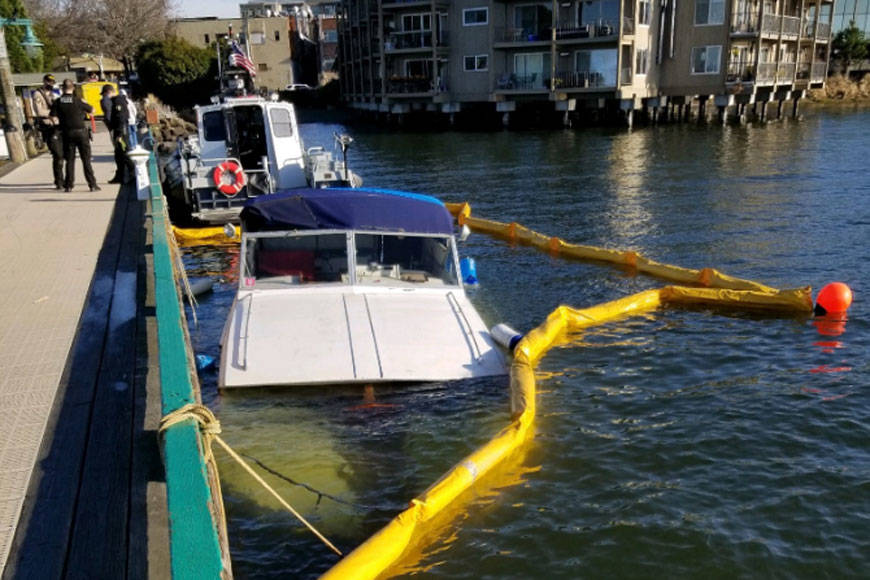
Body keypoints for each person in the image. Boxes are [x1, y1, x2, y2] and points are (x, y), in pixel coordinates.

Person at [50, 79, 100, 192]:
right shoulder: (77, 101)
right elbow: (92, 110)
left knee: (70, 160)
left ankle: (69, 185)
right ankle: (92, 184)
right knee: (86, 159)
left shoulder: (58, 102)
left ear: (62, 88)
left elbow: (53, 117)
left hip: (67, 133)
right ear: (73, 88)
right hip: (81, 132)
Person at [31, 74, 64, 190]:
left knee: (62, 155)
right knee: (57, 154)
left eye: (52, 82)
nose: (50, 84)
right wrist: (53, 113)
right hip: (48, 126)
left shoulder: (54, 93)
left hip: (59, 126)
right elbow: (39, 111)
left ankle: (61, 179)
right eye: (48, 82)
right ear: (44, 81)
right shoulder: (38, 94)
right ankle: (59, 181)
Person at [107, 88, 135, 183]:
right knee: (118, 155)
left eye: (106, 94)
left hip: (121, 132)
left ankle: (132, 174)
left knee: (124, 152)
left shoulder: (118, 102)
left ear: (109, 92)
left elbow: (121, 118)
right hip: (119, 131)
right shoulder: (117, 101)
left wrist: (119, 134)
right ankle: (119, 176)